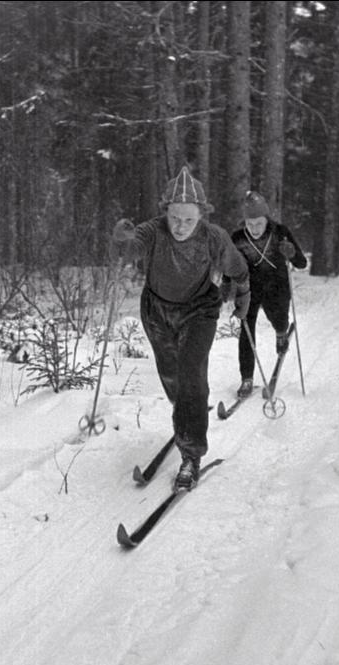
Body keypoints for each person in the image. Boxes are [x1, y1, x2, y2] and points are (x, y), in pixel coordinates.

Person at [111, 166, 250, 491]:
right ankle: (188, 410)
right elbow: (129, 251)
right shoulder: (153, 230)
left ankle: (191, 454)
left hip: (199, 311)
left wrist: (243, 293)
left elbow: (237, 267)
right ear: (166, 212)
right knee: (172, 375)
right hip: (157, 311)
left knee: (190, 374)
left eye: (189, 219)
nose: (181, 226)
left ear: (201, 214)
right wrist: (121, 241)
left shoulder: (213, 237)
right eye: (175, 217)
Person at [228, 190, 307, 398]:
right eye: (250, 224)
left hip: (277, 286)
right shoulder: (237, 238)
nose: (254, 229)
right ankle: (246, 379)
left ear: (266, 219)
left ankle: (281, 333)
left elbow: (301, 263)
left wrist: (291, 252)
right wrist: (225, 285)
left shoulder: (280, 232)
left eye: (259, 223)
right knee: (246, 331)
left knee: (278, 318)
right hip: (249, 288)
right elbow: (228, 266)